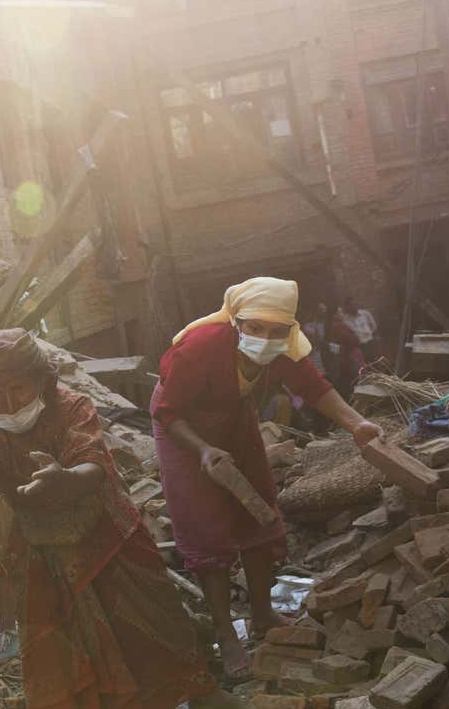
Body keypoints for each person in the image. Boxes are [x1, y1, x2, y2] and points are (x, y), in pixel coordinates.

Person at [0, 330, 216, 709]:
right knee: (58, 636)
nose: (8, 404)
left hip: (107, 534)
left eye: (18, 389)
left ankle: (203, 693)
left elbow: (92, 462)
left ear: (39, 380)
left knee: (155, 618)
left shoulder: (72, 406)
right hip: (38, 551)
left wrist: (66, 479)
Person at [151, 278, 382, 677]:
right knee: (203, 521)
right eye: (255, 328)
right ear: (237, 322)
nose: (265, 337)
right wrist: (203, 450)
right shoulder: (201, 348)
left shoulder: (283, 350)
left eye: (277, 330)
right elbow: (168, 412)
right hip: (182, 424)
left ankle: (262, 612)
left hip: (233, 415)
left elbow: (315, 388)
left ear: (289, 329)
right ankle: (225, 631)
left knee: (259, 504)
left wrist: (358, 424)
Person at [341, 296, 379, 364]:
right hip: (359, 347)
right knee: (365, 367)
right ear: (347, 307)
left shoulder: (365, 313)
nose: (354, 306)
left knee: (376, 364)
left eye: (355, 304)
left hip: (370, 344)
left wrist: (370, 337)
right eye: (351, 305)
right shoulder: (345, 320)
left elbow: (374, 327)